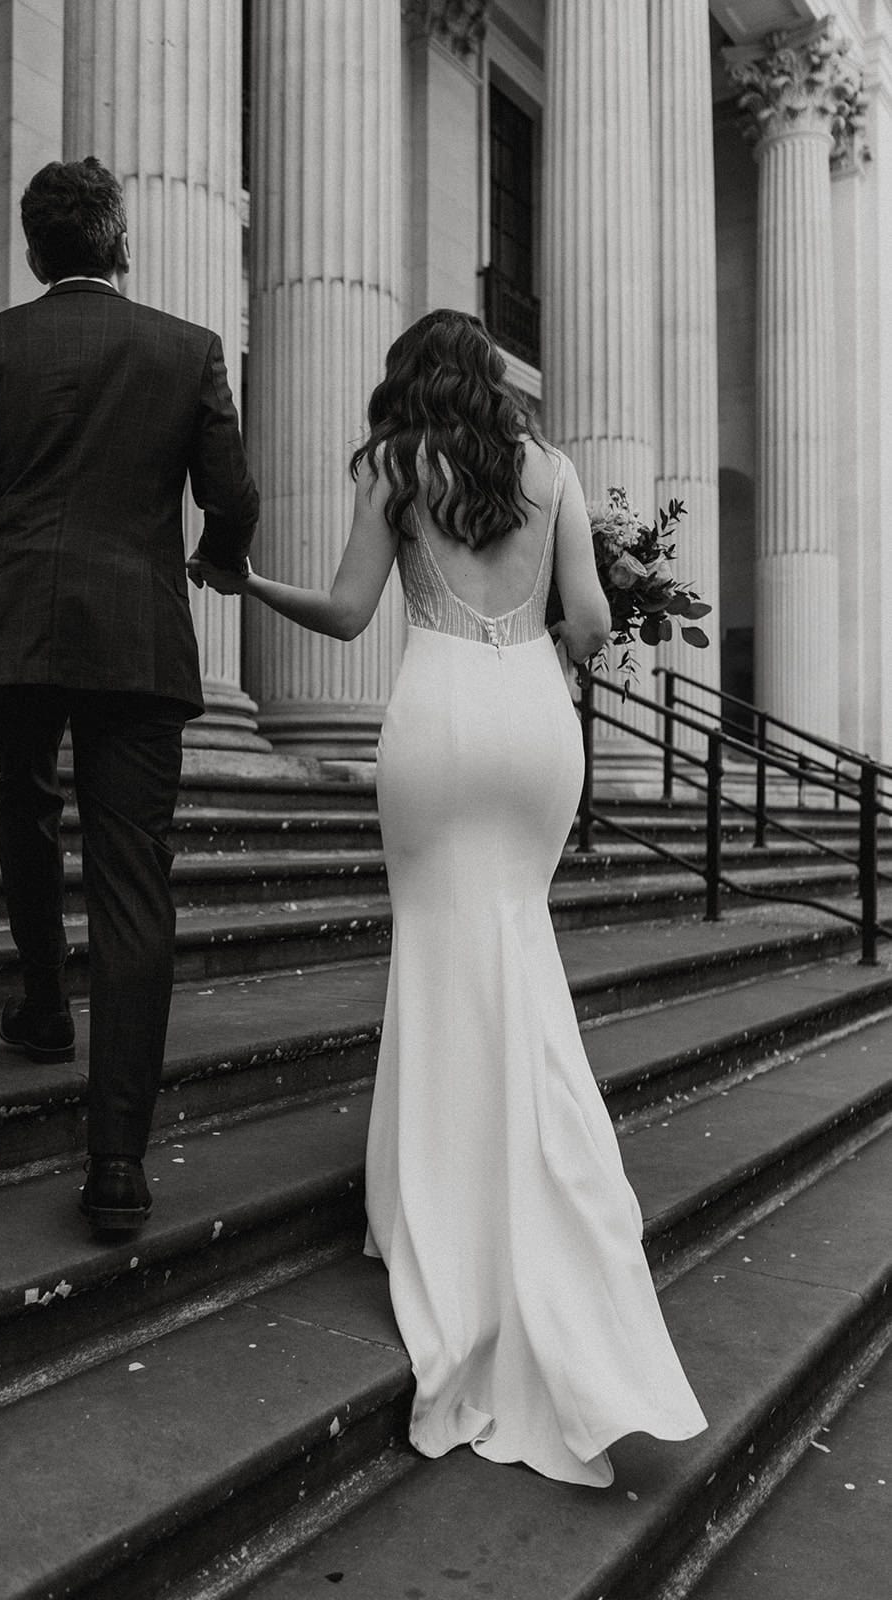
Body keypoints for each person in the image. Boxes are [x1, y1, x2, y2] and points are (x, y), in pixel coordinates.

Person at [190, 309, 707, 1485]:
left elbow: (345, 612)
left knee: (434, 954)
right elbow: (583, 623)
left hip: (433, 717)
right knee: (515, 949)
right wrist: (555, 618)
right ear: (494, 383)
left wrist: (246, 580)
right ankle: (550, 1187)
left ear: (410, 380)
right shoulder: (556, 470)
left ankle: (431, 1202)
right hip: (530, 720)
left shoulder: (389, 466)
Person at [0, 157, 257, 1237]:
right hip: (136, 639)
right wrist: (213, 558)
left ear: (37, 252)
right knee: (133, 879)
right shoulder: (187, 350)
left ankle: (47, 1005)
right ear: (119, 243)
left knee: (21, 802)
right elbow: (231, 494)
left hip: (7, 633)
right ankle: (115, 1163)